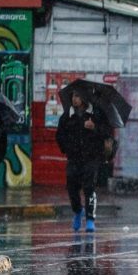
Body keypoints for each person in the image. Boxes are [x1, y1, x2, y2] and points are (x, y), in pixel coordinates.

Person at [55, 91, 111, 232]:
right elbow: (60, 135)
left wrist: (94, 128)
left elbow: (106, 133)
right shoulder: (68, 115)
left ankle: (90, 219)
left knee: (89, 187)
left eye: (78, 96)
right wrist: (67, 148)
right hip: (74, 157)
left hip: (92, 157)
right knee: (71, 186)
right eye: (73, 96)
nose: (74, 99)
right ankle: (77, 211)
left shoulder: (96, 114)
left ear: (84, 98)